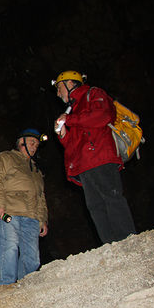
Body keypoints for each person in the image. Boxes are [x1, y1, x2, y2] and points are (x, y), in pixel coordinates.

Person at [52, 71, 136, 244]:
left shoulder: (93, 94)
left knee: (111, 196)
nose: (58, 93)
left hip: (100, 156)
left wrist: (70, 119)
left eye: (59, 88)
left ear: (70, 83)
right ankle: (109, 244)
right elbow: (72, 144)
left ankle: (127, 239)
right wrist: (62, 134)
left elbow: (103, 116)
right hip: (84, 163)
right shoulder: (73, 109)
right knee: (95, 206)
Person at [0, 129, 49, 285]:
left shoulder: (36, 170)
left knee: (33, 258)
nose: (35, 147)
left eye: (37, 144)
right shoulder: (5, 157)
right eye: (32, 142)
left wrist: (42, 220)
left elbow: (41, 197)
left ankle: (23, 287)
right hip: (10, 211)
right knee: (10, 249)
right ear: (21, 142)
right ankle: (7, 286)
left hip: (32, 217)